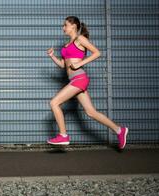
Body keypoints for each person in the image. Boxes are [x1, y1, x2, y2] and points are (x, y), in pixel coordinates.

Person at [46, 16, 129, 150]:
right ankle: (119, 130)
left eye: (65, 25)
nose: (63, 28)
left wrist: (80, 63)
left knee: (54, 102)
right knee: (91, 112)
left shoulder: (80, 39)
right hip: (74, 80)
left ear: (73, 26)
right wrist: (52, 56)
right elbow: (63, 65)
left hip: (79, 78)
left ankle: (63, 135)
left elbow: (97, 53)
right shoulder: (67, 45)